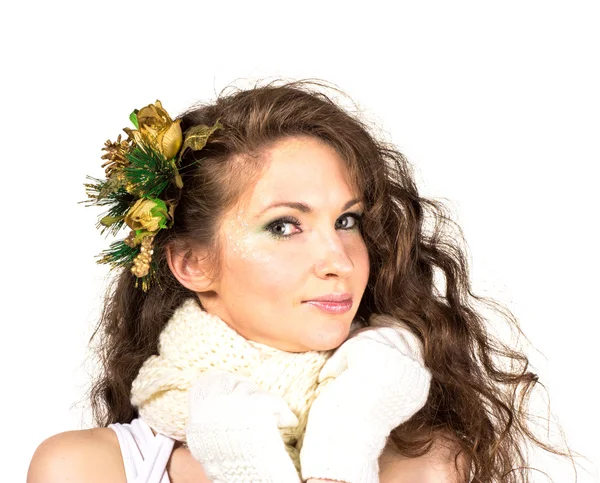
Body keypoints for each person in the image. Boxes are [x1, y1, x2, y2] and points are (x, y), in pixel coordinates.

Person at [27, 81, 564, 483]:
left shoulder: (424, 465)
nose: (339, 260)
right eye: (285, 226)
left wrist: (350, 433)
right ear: (192, 263)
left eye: (347, 221)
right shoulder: (87, 468)